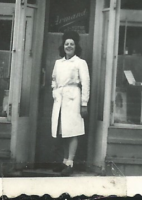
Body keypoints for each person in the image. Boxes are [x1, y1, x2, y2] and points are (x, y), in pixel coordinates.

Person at [51, 30, 90, 176]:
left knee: (72, 132)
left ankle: (70, 163)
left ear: (76, 46)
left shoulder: (80, 63)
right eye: (66, 44)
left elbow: (86, 83)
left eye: (71, 44)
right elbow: (53, 79)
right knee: (62, 132)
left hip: (74, 99)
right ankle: (64, 161)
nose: (69, 46)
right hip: (60, 100)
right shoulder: (58, 63)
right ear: (63, 46)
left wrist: (84, 103)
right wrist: (54, 92)